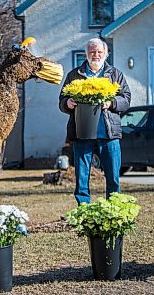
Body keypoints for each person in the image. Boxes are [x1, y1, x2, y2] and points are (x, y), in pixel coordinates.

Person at [59, 38, 131, 205]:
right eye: (92, 52)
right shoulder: (74, 75)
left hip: (109, 133)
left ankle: (114, 208)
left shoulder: (115, 74)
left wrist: (112, 103)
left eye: (100, 52)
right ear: (87, 54)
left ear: (106, 54)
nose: (96, 55)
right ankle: (84, 209)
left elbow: (126, 99)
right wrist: (67, 103)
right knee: (82, 176)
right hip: (81, 132)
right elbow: (62, 100)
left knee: (113, 175)